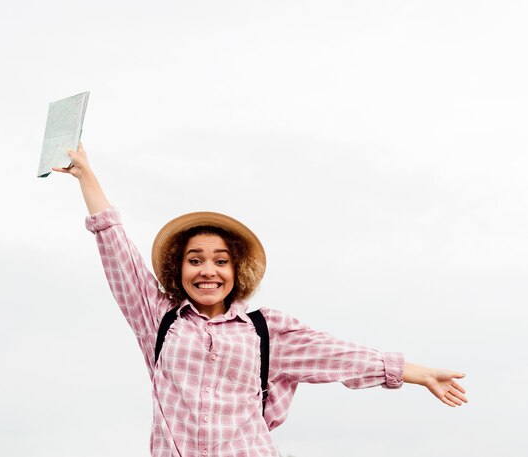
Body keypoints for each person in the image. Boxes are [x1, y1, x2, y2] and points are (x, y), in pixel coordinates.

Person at [53, 144, 468, 457]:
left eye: (221, 261)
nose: (208, 271)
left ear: (237, 272)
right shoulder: (158, 318)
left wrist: (419, 373)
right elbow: (116, 249)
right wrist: (86, 176)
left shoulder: (266, 332)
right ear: (179, 271)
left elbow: (341, 357)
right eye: (195, 260)